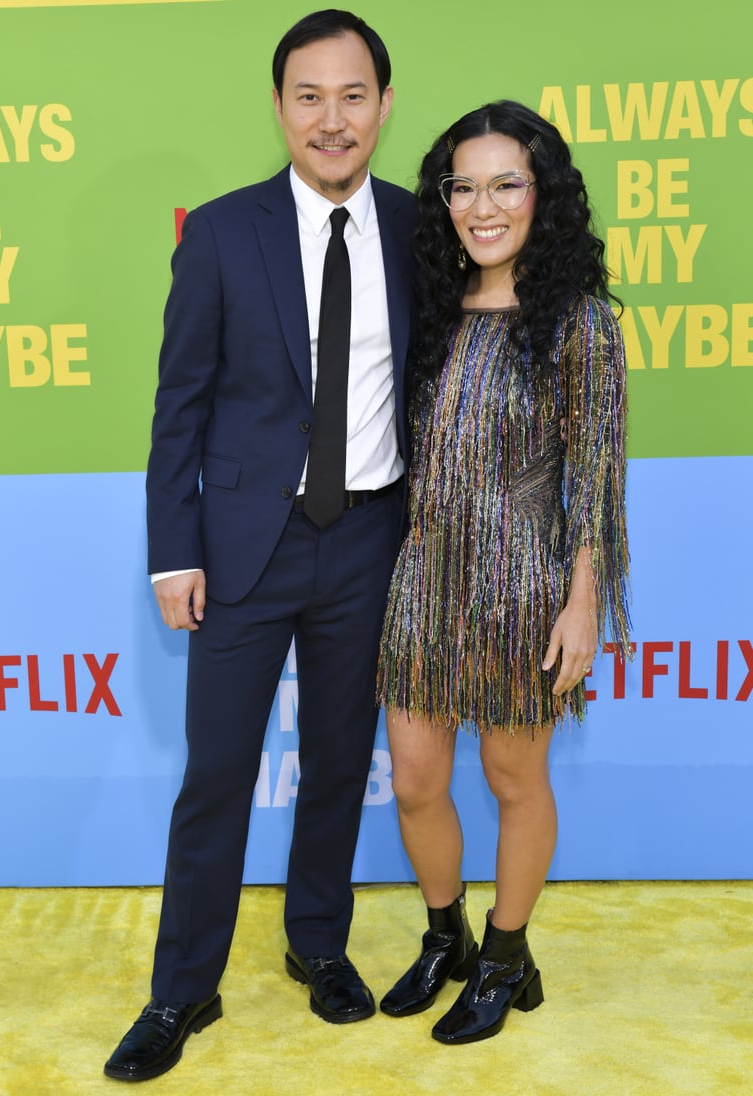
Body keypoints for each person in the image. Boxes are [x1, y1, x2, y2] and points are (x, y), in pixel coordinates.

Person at [104, 10, 415, 1082]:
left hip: (373, 538)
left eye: (354, 95)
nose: (333, 120)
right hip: (243, 546)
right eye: (309, 97)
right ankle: (182, 989)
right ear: (280, 106)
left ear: (382, 103)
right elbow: (177, 403)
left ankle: (317, 945)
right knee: (219, 772)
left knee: (339, 762)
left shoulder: (422, 232)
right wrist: (170, 550)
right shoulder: (224, 233)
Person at [376, 100, 632, 1045]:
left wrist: (583, 599)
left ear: (543, 195)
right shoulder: (432, 309)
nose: (483, 207)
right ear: (444, 199)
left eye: (507, 184)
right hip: (423, 578)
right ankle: (443, 934)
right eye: (464, 187)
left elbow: (597, 474)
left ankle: (506, 952)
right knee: (413, 779)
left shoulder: (578, 321)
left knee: (513, 778)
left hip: (524, 583)